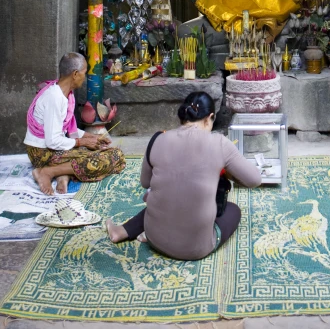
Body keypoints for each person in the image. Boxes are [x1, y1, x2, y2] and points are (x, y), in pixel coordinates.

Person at [106, 91, 262, 260]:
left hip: (154, 238)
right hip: (195, 249)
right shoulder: (219, 143)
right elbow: (254, 179)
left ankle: (122, 231)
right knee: (232, 210)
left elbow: (145, 182)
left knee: (165, 196)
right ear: (209, 117)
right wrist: (228, 172)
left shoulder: (158, 139)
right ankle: (200, 237)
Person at [24, 52, 126, 196]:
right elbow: (52, 141)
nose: (84, 78)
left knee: (114, 154)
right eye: (84, 73)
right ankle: (47, 172)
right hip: (42, 153)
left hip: (54, 149)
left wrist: (93, 138)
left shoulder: (65, 94)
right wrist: (82, 142)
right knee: (112, 157)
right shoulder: (54, 97)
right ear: (75, 74)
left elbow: (66, 129)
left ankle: (63, 174)